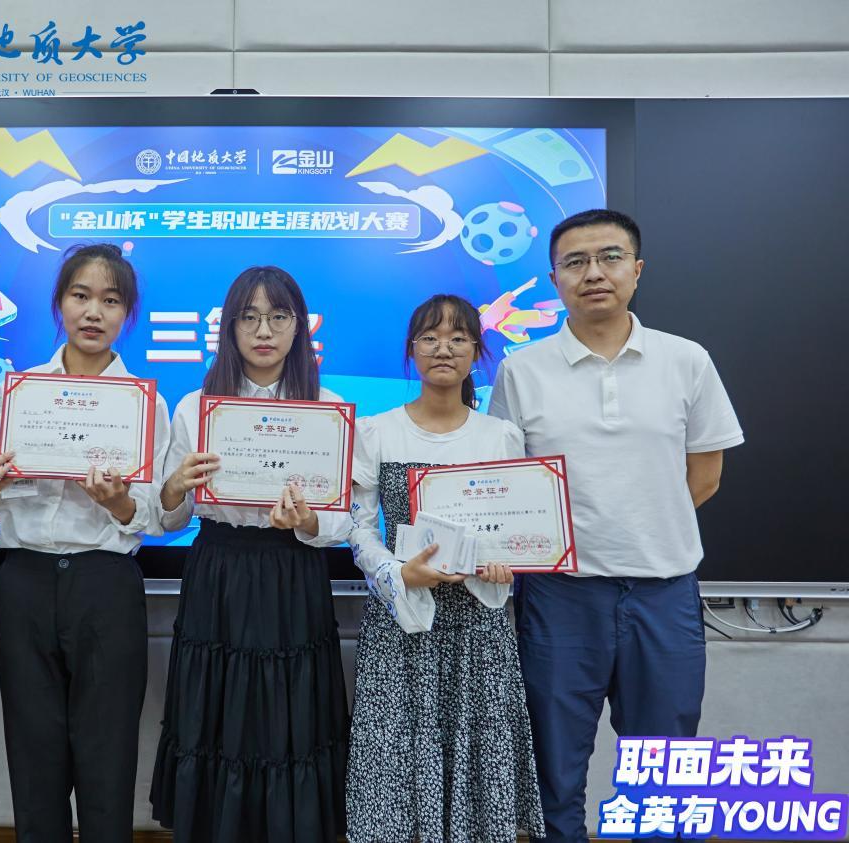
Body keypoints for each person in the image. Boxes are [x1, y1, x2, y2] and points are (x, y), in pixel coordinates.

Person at [488, 209, 744, 842]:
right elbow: (508, 483)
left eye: (610, 257)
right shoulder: (522, 369)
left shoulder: (686, 360)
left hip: (663, 592)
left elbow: (706, 475)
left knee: (665, 765)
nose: (593, 273)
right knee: (553, 765)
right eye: (575, 262)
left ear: (637, 269)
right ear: (555, 279)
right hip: (559, 596)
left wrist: (642, 525)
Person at [0, 243, 170, 843]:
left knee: (108, 752)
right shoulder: (18, 392)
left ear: (127, 314)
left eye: (111, 301)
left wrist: (117, 503)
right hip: (24, 579)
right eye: (81, 296)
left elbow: (154, 515)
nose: (93, 312)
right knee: (33, 750)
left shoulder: (145, 402)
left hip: (105, 584)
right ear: (60, 304)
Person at [150, 266, 350, 843]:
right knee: (217, 714)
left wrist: (308, 520)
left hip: (293, 571)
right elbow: (168, 518)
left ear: (300, 326)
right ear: (229, 327)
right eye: (250, 317)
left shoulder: (327, 406)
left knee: (292, 716)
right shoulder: (196, 406)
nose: (264, 331)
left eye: (278, 316)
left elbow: (343, 519)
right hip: (220, 570)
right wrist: (175, 485)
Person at [345, 294, 545, 843]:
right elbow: (358, 529)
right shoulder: (376, 432)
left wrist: (507, 565)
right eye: (430, 337)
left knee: (477, 764)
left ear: (477, 352)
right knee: (396, 766)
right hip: (404, 623)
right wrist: (397, 574)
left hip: (480, 628)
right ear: (411, 350)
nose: (443, 348)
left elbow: (514, 527)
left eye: (458, 338)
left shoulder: (500, 436)